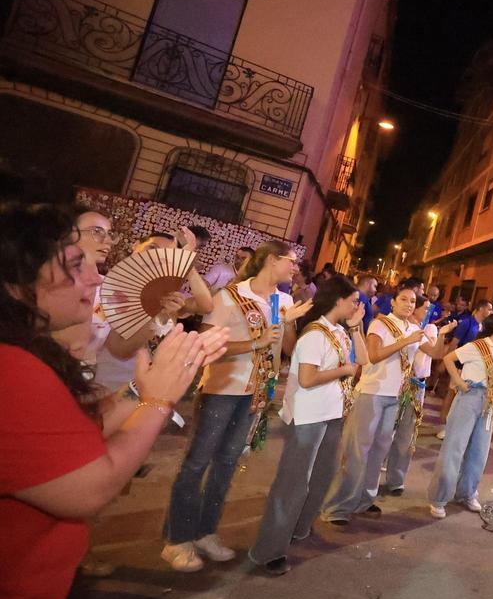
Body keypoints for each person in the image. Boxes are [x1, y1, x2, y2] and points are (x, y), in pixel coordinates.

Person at [0, 203, 227, 599]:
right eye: (74, 267)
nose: (96, 280)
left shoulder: (29, 356)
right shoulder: (12, 370)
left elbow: (80, 424)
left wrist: (151, 391)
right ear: (18, 286)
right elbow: (91, 485)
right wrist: (160, 400)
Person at [161, 241, 311, 572]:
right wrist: (254, 342)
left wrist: (286, 323)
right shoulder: (228, 296)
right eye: (291, 261)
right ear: (271, 260)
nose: (295, 268)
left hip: (255, 393)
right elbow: (207, 343)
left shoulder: (283, 300)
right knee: (196, 463)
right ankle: (176, 538)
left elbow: (286, 349)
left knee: (227, 463)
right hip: (222, 389)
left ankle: (205, 531)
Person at [249, 277, 366, 575]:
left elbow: (364, 359)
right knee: (292, 483)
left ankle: (298, 529)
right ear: (338, 300)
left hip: (332, 413)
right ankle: (268, 550)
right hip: (308, 416)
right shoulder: (315, 335)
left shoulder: (339, 331)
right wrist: (342, 370)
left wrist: (356, 327)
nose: (357, 306)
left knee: (321, 477)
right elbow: (308, 379)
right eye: (353, 300)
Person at [322, 287, 426, 524]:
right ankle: (336, 507)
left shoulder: (412, 328)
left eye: (413, 301)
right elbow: (373, 355)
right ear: (393, 303)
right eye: (404, 300)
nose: (409, 304)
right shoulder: (381, 324)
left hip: (394, 397)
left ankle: (364, 500)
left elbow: (433, 353)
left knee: (379, 452)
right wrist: (405, 342)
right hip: (371, 393)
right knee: (357, 451)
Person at [92, 229, 215, 393]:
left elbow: (205, 305)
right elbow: (121, 349)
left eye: (165, 256)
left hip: (149, 390)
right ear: (136, 245)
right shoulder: (102, 287)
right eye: (152, 249)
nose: (156, 258)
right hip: (107, 385)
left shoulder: (166, 298)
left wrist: (187, 265)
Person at [428, 312, 493, 519]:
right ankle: (439, 499)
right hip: (469, 398)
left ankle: (467, 493)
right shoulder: (477, 346)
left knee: (479, 450)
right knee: (454, 448)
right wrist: (458, 381)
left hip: (489, 401)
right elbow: (448, 359)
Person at [384, 295, 455, 495]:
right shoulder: (393, 326)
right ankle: (373, 473)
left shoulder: (421, 330)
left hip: (416, 387)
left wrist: (441, 335)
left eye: (418, 304)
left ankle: (396, 479)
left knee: (407, 435)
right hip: (396, 385)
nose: (427, 311)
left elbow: (435, 353)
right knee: (386, 431)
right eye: (424, 307)